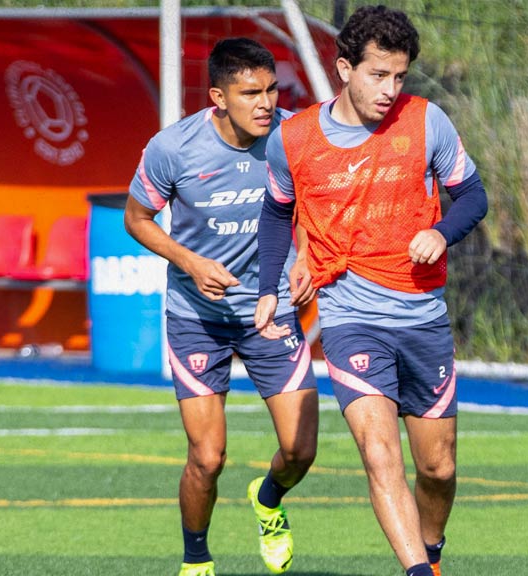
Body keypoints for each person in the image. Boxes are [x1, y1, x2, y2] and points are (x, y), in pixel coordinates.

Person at [254, 6, 488, 576]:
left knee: (438, 470)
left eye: (400, 76)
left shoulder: (428, 122)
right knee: (381, 457)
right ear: (344, 69)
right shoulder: (294, 139)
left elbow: (474, 196)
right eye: (377, 75)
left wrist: (441, 230)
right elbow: (275, 211)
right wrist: (269, 285)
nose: (390, 90)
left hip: (423, 316)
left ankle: (429, 555)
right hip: (349, 316)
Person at [125, 38, 319, 576]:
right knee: (207, 458)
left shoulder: (295, 135)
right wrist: (189, 262)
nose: (266, 103)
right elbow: (137, 219)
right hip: (197, 320)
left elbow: (317, 207)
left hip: (269, 311)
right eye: (250, 92)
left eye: (272, 89)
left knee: (301, 451)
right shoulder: (173, 148)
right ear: (218, 96)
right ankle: (197, 560)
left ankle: (269, 500)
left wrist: (306, 256)